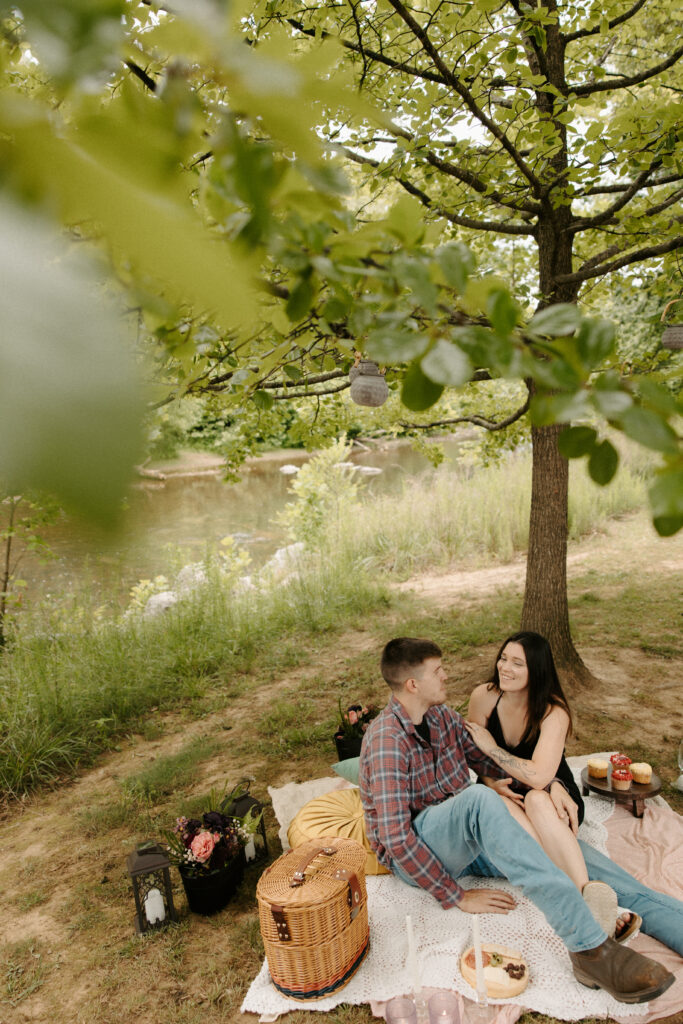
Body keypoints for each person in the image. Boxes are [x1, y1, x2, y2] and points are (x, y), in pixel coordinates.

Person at [359, 637, 677, 1005]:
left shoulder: (440, 717)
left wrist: (554, 782)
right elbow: (397, 840)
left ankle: (674, 923)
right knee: (478, 798)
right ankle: (590, 949)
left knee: (573, 855)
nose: (446, 675)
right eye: (437, 671)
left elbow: (483, 761)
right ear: (413, 684)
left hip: (466, 837)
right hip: (419, 852)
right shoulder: (385, 742)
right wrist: (455, 894)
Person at [465, 631, 637, 941]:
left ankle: (587, 907)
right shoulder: (484, 696)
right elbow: (473, 754)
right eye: (503, 658)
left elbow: (539, 777)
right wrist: (491, 782)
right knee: (498, 803)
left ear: (537, 671)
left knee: (538, 801)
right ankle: (598, 909)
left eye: (518, 663)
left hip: (552, 792)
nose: (505, 667)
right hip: (504, 790)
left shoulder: (553, 712)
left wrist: (492, 748)